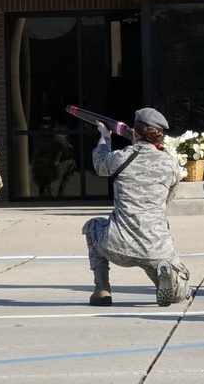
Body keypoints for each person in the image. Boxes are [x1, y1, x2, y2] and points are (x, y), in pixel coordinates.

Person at [82, 108, 192, 307]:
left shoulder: (120, 158)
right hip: (156, 247)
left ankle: (102, 289)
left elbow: (99, 165)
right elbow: (169, 199)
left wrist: (105, 136)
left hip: (117, 245)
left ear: (135, 132)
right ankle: (171, 280)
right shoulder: (170, 163)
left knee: (92, 226)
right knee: (181, 294)